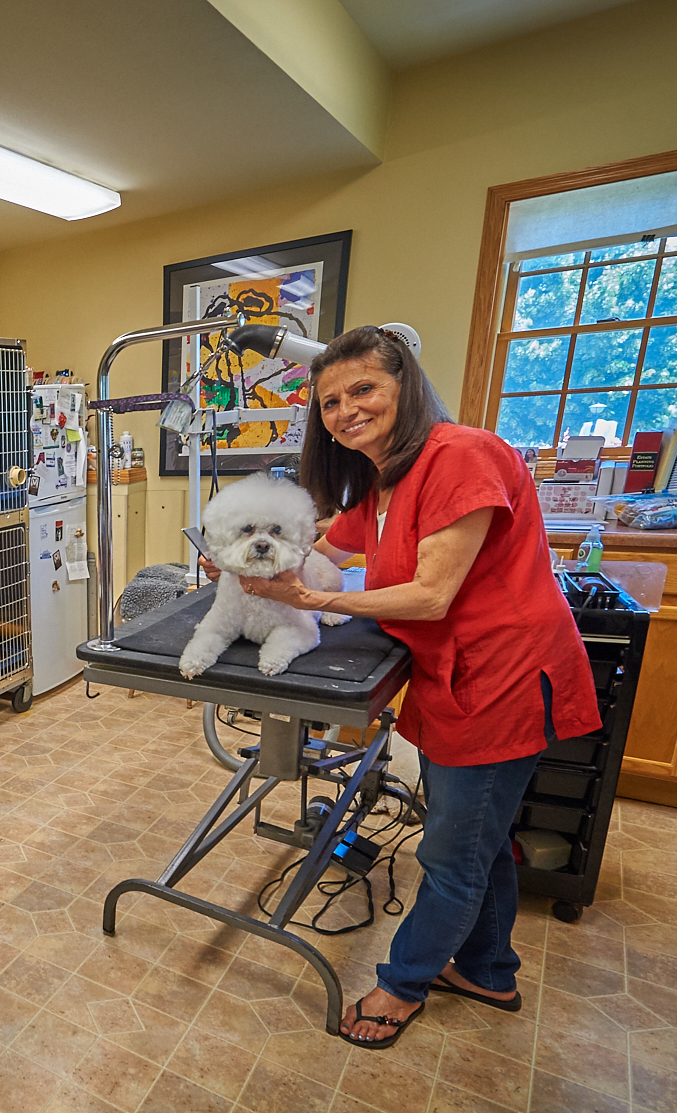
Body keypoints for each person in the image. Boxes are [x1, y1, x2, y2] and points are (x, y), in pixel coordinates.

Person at [209, 325, 599, 1049]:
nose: (345, 410)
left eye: (363, 390)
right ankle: (489, 969)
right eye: (329, 401)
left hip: (500, 680)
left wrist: (314, 602)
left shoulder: (464, 455)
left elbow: (430, 596)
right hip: (458, 677)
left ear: (405, 387)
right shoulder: (388, 479)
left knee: (450, 855)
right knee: (483, 841)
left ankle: (401, 985)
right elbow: (326, 543)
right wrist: (250, 559)